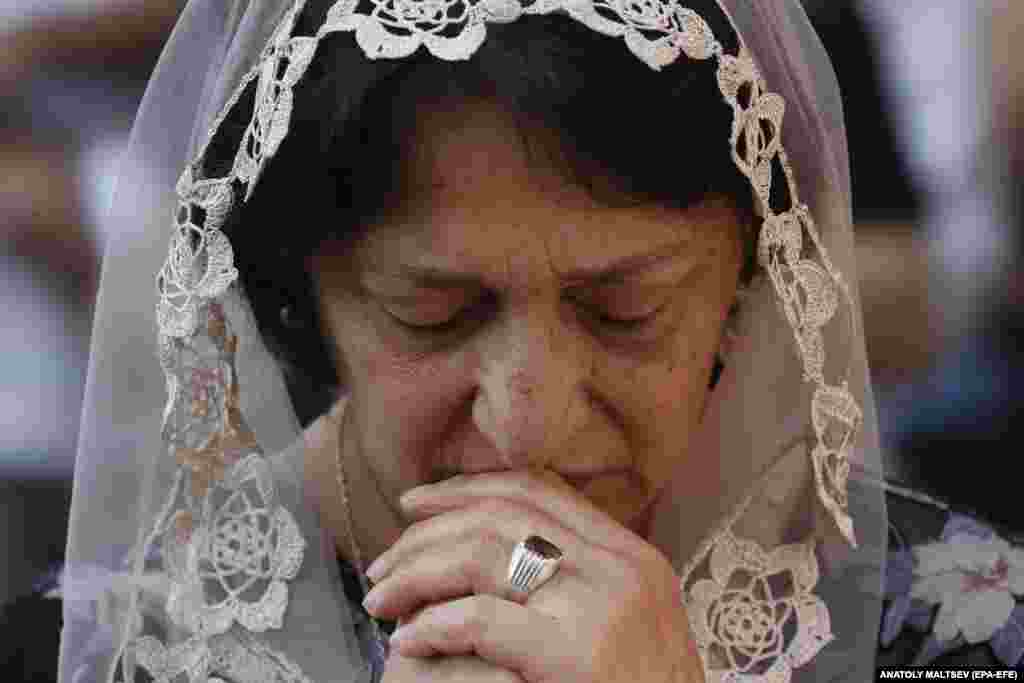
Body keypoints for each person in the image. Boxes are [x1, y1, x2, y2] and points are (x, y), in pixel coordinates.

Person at [58, 1, 887, 681]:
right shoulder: (117, 651)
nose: (531, 426)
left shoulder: (948, 631)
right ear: (301, 299)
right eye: (435, 317)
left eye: (625, 311)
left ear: (745, 273)